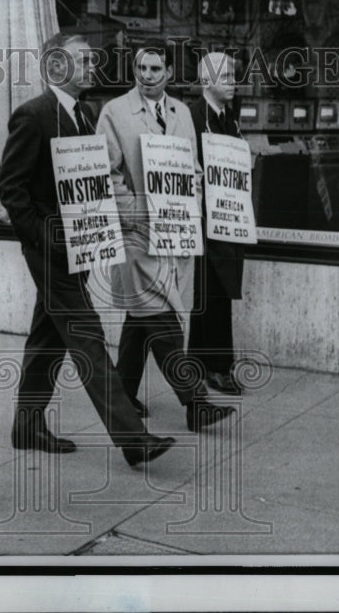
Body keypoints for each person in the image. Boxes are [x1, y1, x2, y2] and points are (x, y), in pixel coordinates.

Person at [0, 32, 175, 467]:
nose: (93, 65)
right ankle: (133, 439)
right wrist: (45, 237)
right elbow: (11, 190)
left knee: (47, 336)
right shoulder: (32, 115)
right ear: (57, 66)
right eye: (83, 60)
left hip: (78, 244)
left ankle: (27, 424)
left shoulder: (83, 112)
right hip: (51, 248)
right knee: (88, 339)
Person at [96, 45, 235, 431]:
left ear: (169, 72)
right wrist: (136, 213)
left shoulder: (181, 112)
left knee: (140, 318)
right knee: (161, 317)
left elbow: (192, 167)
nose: (147, 74)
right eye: (141, 67)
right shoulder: (114, 112)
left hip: (176, 229)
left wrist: (195, 197)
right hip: (138, 234)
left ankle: (119, 393)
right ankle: (195, 401)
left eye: (156, 68)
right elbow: (108, 175)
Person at [188, 53, 245, 395]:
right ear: (207, 81)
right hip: (205, 217)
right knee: (207, 292)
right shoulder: (194, 117)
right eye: (225, 76)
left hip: (227, 218)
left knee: (221, 291)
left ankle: (216, 364)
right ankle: (211, 366)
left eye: (234, 75)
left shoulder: (230, 119)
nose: (233, 81)